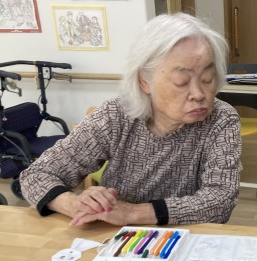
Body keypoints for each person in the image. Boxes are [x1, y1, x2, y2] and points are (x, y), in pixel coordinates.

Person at [20, 13, 241, 227]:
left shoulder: (220, 119)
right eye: (182, 81)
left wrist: (133, 212)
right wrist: (77, 205)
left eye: (207, 78)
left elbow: (220, 200)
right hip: (116, 239)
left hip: (187, 239)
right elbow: (36, 175)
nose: (199, 94)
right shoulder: (116, 115)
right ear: (144, 81)